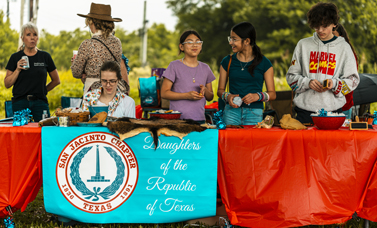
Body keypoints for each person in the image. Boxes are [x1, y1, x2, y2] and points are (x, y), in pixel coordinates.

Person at [286, 2, 359, 124]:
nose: (320, 30)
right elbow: (290, 78)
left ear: (334, 24)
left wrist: (335, 84)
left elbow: (353, 80)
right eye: (316, 26)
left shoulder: (344, 48)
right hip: (305, 111)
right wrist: (307, 83)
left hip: (334, 112)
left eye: (324, 26)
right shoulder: (302, 45)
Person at [217, 22, 276, 125]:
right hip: (231, 113)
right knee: (229, 141)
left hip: (254, 113)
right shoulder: (227, 61)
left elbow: (273, 94)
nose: (231, 42)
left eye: (234, 39)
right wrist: (228, 97)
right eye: (230, 38)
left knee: (252, 141)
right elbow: (220, 91)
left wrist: (258, 96)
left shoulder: (264, 63)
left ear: (247, 41)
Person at [4, 22, 60, 122]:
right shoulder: (15, 57)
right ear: (22, 38)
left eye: (35, 34)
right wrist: (17, 70)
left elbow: (56, 80)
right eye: (28, 35)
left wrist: (43, 90)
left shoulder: (45, 56)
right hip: (20, 102)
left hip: (40, 103)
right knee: (22, 133)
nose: (32, 38)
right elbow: (7, 84)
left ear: (38, 38)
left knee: (43, 132)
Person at [71, 3, 129, 95]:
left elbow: (76, 72)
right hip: (113, 91)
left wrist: (76, 65)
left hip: (93, 93)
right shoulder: (117, 42)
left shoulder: (87, 44)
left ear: (92, 23)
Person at [161, 30, 216, 123]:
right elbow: (164, 93)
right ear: (181, 47)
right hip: (178, 121)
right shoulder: (174, 66)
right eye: (190, 42)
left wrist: (205, 91)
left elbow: (210, 96)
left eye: (198, 42)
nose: (194, 45)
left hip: (200, 120)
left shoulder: (205, 68)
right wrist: (186, 95)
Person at [333, 23, 359, 115]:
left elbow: (351, 81)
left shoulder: (349, 55)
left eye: (334, 35)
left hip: (343, 106)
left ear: (342, 37)